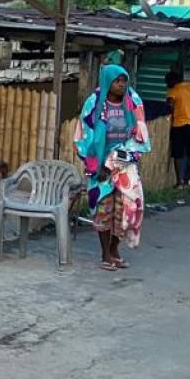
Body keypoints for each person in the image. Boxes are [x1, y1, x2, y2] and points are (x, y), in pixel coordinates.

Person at [74, 65, 151, 271]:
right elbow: (84, 135)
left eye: (124, 80)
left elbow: (140, 135)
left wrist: (117, 161)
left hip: (124, 165)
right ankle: (105, 253)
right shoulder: (94, 103)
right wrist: (97, 165)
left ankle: (115, 248)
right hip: (99, 167)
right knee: (103, 209)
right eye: (117, 81)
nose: (122, 85)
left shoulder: (132, 102)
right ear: (108, 82)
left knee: (126, 208)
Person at [165, 71, 190, 187]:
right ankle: (186, 181)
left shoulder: (174, 90)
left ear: (173, 81)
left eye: (167, 82)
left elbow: (169, 106)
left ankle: (179, 182)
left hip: (180, 125)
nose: (167, 84)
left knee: (178, 154)